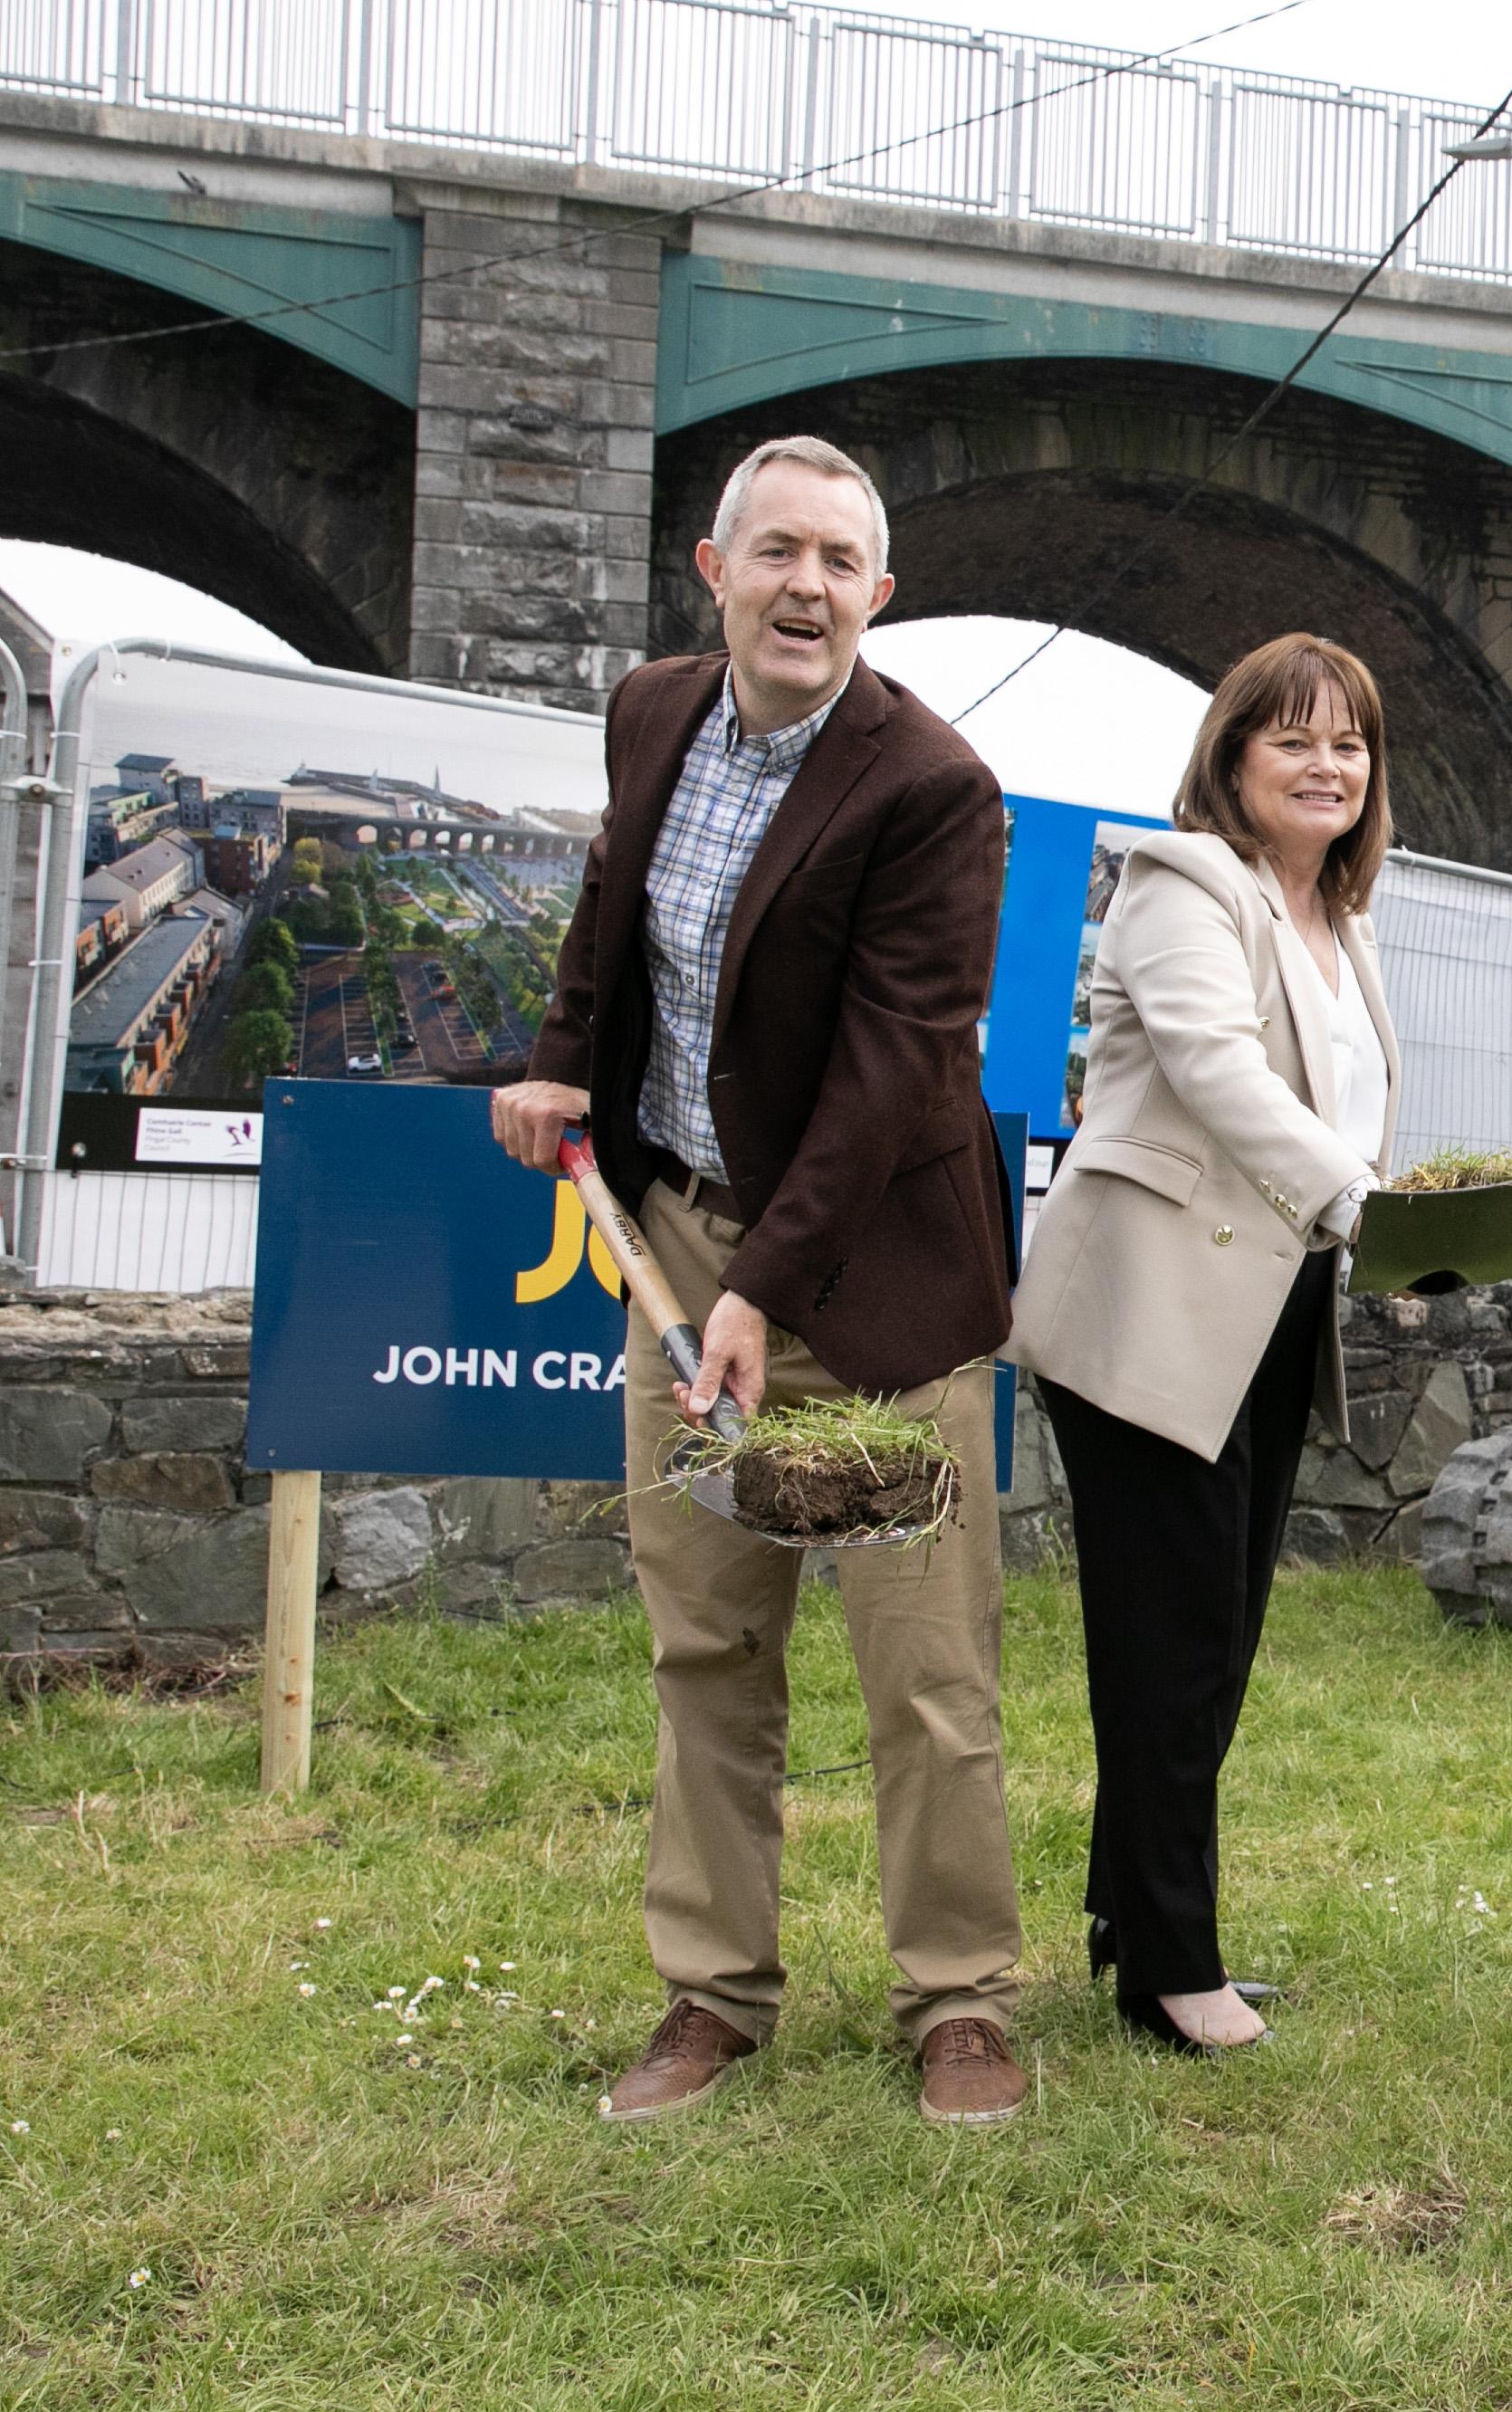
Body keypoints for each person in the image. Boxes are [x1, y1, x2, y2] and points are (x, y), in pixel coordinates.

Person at [492, 435, 1027, 2128]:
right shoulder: (652, 711)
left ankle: (960, 2002)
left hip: (875, 1278)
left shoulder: (934, 788)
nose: (807, 585)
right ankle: (712, 1996)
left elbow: (895, 1065)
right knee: (707, 1645)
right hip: (684, 1241)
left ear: (884, 593)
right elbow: (609, 910)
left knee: (924, 1668)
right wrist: (564, 1059)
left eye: (840, 560)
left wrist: (759, 1290)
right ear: (710, 569)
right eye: (774, 550)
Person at [1007, 634, 1400, 2056]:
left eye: (1348, 741)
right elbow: (1218, 1070)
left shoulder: (1341, 920)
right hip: (1153, 1310)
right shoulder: (1186, 884)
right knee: (1169, 1649)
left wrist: (1390, 1224)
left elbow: (1334, 1111)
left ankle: (1131, 1915)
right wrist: (1366, 1205)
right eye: (1292, 738)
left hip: (1274, 1310)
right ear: (1233, 756)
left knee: (1213, 1640)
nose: (1326, 764)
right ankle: (1174, 1965)